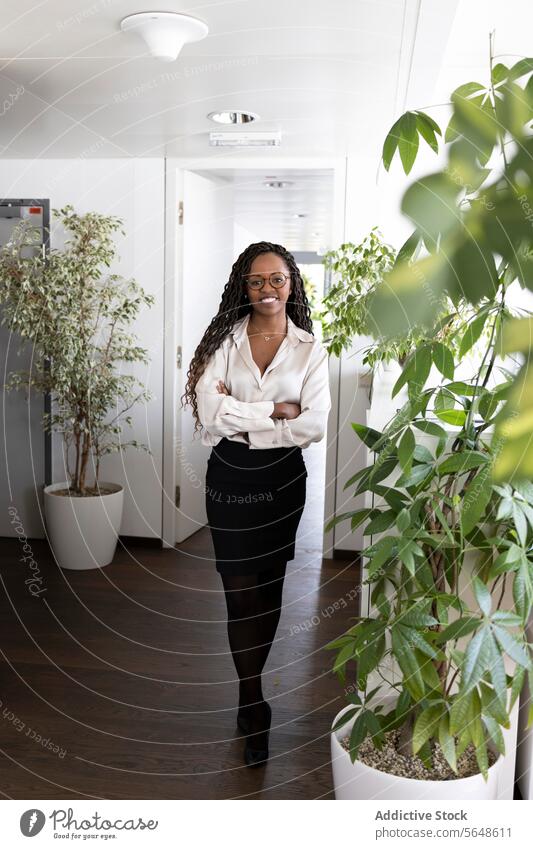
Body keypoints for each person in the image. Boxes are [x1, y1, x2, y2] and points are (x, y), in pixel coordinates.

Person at [182, 241, 331, 767]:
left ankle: (253, 699)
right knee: (237, 593)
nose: (268, 289)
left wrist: (245, 412)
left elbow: (312, 425)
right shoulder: (225, 341)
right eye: (256, 281)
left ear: (292, 282)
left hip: (282, 480)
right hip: (229, 475)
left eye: (277, 279)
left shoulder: (311, 350)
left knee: (267, 589)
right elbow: (209, 412)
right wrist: (275, 410)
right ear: (243, 286)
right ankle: (253, 699)